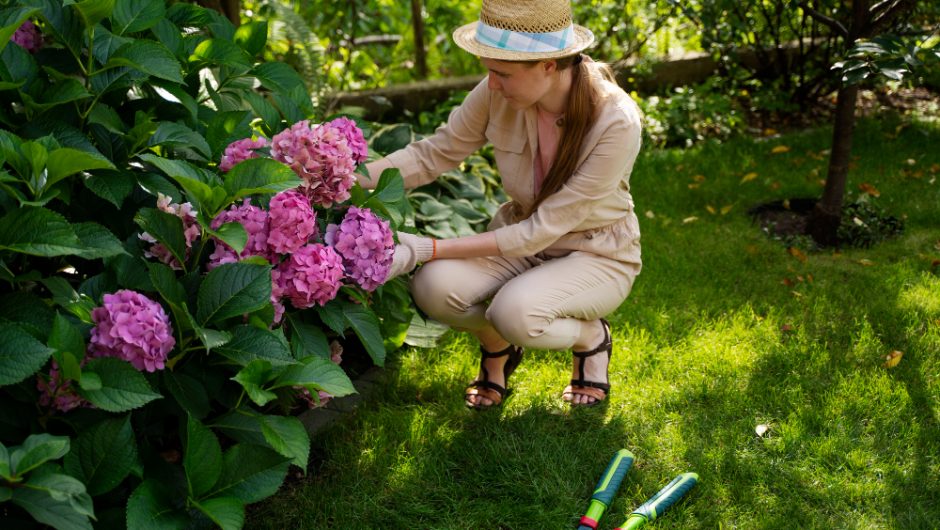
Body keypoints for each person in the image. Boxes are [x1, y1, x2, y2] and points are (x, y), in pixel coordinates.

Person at [357, 0, 643, 409]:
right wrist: (341, 180)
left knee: (516, 314)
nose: (491, 83)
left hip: (595, 253)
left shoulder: (616, 121)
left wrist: (427, 248)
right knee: (433, 288)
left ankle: (591, 337)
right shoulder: (499, 92)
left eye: (502, 73)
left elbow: (542, 230)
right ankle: (497, 347)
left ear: (548, 65)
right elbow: (432, 155)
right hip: (521, 242)